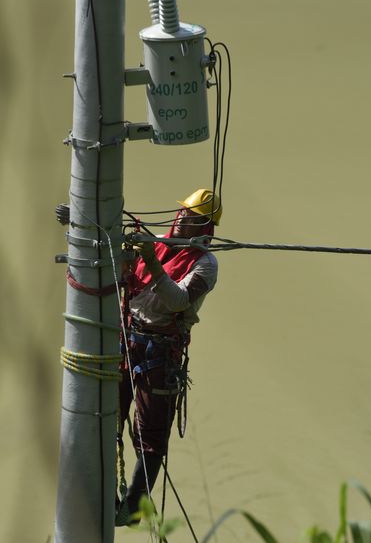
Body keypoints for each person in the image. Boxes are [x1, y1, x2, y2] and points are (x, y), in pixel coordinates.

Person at [116, 188, 222, 526]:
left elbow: (177, 301)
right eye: (182, 213)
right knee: (106, 417)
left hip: (159, 352)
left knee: (150, 434)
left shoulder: (205, 264)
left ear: (204, 228)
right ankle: (105, 490)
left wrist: (148, 259)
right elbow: (118, 276)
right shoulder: (159, 243)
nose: (181, 220)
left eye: (190, 218)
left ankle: (134, 505)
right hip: (125, 339)